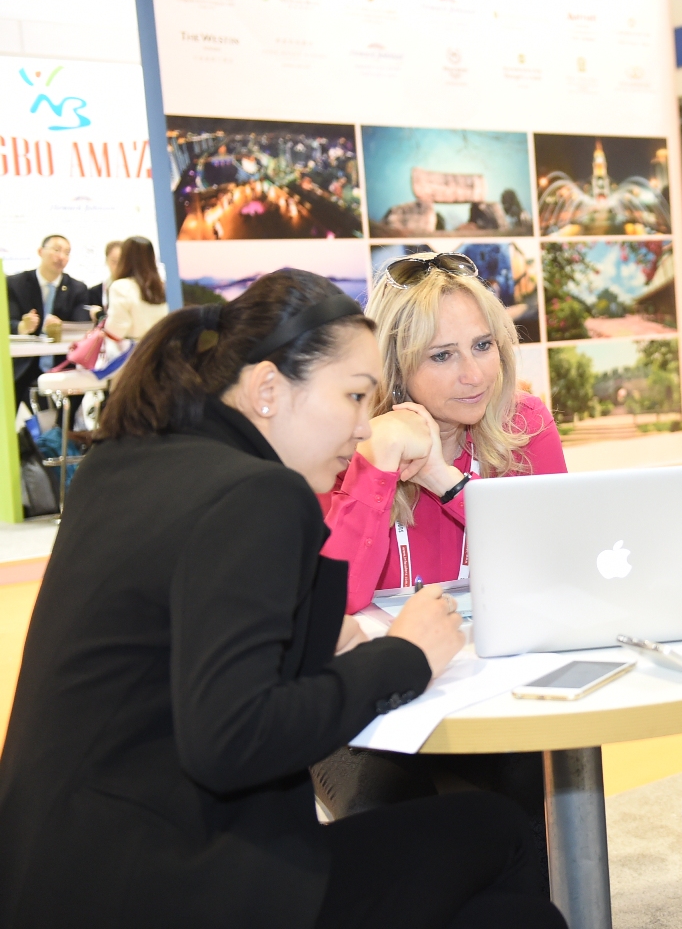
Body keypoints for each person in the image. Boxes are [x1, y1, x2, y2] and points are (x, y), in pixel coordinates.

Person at [0, 269, 565, 929]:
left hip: (56, 874)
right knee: (500, 832)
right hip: (183, 881)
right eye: (354, 397)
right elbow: (232, 739)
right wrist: (405, 656)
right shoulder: (257, 494)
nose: (364, 427)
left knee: (506, 912)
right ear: (267, 389)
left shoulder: (121, 463)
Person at [313, 252, 566, 846]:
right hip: (364, 703)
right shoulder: (344, 440)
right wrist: (378, 465)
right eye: (442, 356)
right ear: (396, 369)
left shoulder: (525, 423)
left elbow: (552, 564)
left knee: (529, 794)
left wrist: (441, 479)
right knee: (382, 813)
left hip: (490, 688)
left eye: (483, 346)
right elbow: (334, 599)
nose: (474, 374)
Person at [7, 234, 91, 406]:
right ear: (40, 251)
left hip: (62, 365)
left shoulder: (77, 288)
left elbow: (80, 326)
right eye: (56, 250)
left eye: (67, 253)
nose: (61, 257)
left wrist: (62, 327)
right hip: (23, 366)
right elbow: (7, 323)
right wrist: (22, 327)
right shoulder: (15, 284)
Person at [103, 235, 170, 342]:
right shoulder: (163, 286)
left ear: (124, 258)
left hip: (137, 348)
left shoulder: (121, 287)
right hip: (163, 344)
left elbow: (117, 329)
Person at [87, 239, 123, 309]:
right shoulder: (95, 292)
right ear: (107, 261)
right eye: (114, 261)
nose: (119, 266)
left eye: (122, 262)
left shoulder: (136, 290)